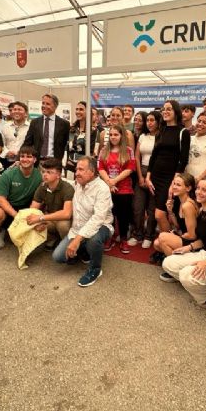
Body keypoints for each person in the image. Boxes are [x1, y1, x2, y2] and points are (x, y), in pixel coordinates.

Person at [161, 176, 206, 308]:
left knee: (186, 275)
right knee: (168, 263)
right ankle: (202, 285)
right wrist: (189, 247)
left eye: (204, 190)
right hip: (203, 253)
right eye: (198, 188)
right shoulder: (202, 210)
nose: (199, 192)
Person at [52, 156, 114, 287]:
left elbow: (98, 219)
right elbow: (60, 181)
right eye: (76, 169)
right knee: (58, 257)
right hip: (78, 228)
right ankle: (84, 251)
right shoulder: (77, 184)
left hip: (101, 226)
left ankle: (95, 269)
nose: (77, 173)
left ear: (92, 172)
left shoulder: (102, 188)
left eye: (81, 170)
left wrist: (77, 239)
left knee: (94, 240)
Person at [146, 100, 191, 233]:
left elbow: (183, 160)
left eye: (169, 109)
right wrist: (148, 177)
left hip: (170, 178)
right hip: (155, 177)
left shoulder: (183, 132)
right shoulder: (161, 131)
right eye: (164, 109)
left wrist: (174, 182)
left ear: (176, 112)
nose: (165, 111)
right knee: (158, 213)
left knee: (159, 214)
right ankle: (164, 241)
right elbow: (154, 155)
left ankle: (168, 240)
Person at [0, 145, 42, 249]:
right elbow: (0, 199)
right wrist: (16, 216)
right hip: (6, 207)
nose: (25, 159)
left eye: (29, 157)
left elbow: (40, 198)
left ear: (35, 160)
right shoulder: (8, 174)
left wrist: (30, 214)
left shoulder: (39, 175)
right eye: (22, 156)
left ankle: (22, 232)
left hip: (25, 207)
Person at [98, 124, 135, 254]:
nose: (113, 137)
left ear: (122, 136)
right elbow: (100, 168)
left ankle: (123, 239)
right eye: (111, 135)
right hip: (107, 188)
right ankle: (110, 238)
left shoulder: (128, 150)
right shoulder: (104, 150)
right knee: (109, 215)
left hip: (124, 189)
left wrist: (115, 181)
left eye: (116, 134)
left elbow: (130, 169)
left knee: (123, 215)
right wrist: (109, 182)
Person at [26, 158, 74, 250]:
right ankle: (53, 238)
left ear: (58, 175)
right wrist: (36, 221)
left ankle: (69, 247)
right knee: (32, 219)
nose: (45, 175)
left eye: (49, 172)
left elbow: (67, 214)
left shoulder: (67, 188)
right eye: (43, 172)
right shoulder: (42, 186)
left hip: (65, 220)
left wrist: (41, 218)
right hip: (50, 218)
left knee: (63, 226)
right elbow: (32, 209)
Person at [130, 111, 160, 248]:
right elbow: (136, 157)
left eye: (152, 120)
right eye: (147, 120)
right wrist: (140, 177)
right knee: (138, 207)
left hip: (156, 174)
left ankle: (149, 235)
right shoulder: (142, 136)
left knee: (152, 208)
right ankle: (137, 234)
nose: (149, 123)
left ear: (158, 121)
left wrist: (149, 176)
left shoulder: (162, 137)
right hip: (141, 171)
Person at [152, 173, 198, 262]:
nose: (174, 187)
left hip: (193, 243)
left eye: (178, 185)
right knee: (157, 244)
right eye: (174, 184)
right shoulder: (178, 200)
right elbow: (177, 226)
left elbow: (192, 235)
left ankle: (174, 264)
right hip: (185, 237)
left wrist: (178, 235)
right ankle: (179, 260)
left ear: (188, 188)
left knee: (162, 237)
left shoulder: (188, 205)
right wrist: (170, 211)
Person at [24, 94, 70, 161]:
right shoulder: (35, 122)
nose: (44, 106)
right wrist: (19, 159)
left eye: (47, 104)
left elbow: (67, 145)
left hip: (55, 162)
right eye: (43, 103)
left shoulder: (64, 124)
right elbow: (27, 143)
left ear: (55, 106)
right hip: (37, 162)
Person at [67, 101, 98, 173]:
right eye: (77, 109)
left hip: (84, 168)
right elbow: (67, 148)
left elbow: (93, 153)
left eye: (81, 109)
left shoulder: (93, 131)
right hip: (69, 166)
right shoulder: (71, 129)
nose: (78, 111)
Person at [186, 111, 206, 182]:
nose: (200, 124)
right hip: (187, 179)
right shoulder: (189, 138)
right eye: (199, 121)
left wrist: (200, 178)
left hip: (203, 180)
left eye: (205, 123)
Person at [1, 101, 29, 167]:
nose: (16, 111)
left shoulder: (31, 127)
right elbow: (1, 144)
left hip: (24, 162)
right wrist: (7, 152)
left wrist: (20, 153)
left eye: (19, 109)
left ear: (26, 113)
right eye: (14, 109)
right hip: (6, 161)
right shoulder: (5, 126)